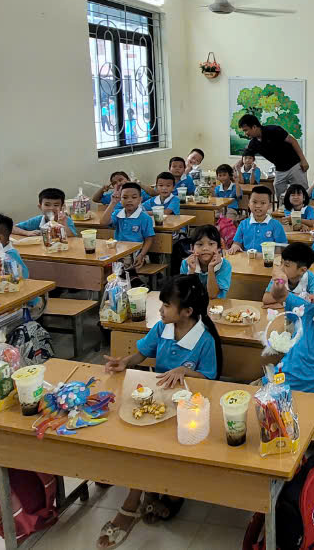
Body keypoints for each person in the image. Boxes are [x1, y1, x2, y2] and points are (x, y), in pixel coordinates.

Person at [100, 275, 221, 541]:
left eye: (166, 305)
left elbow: (209, 379)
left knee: (164, 445)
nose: (161, 310)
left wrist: (184, 371)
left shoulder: (205, 340)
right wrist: (126, 362)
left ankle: (152, 494)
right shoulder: (162, 328)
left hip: (188, 408)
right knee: (140, 437)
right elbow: (142, 353)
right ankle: (139, 494)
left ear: (187, 311)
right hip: (160, 402)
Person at [238, 114, 310, 202]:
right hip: (280, 169)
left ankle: (304, 209)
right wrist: (235, 168)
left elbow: (293, 141)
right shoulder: (253, 143)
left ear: (254, 127)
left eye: (246, 130)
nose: (245, 133)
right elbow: (245, 157)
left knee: (301, 192)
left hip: (294, 165)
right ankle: (283, 208)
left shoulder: (273, 130)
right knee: (278, 190)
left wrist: (303, 160)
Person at [100, 182, 154, 269]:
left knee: (124, 265)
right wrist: (113, 202)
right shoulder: (118, 214)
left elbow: (149, 239)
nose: (129, 200)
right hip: (118, 251)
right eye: (125, 197)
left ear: (140, 199)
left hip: (135, 253)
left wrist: (141, 255)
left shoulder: (145, 218)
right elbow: (103, 222)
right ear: (120, 199)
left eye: (134, 197)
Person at [262, 242, 314, 310]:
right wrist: (301, 298)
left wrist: (282, 303)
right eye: (281, 263)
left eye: (286, 265)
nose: (281, 268)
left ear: (302, 270)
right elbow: (266, 299)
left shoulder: (311, 279)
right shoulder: (280, 278)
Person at [228, 185, 287, 253]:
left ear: (269, 206)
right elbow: (236, 243)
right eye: (254, 202)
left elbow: (282, 247)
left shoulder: (276, 225)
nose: (258, 206)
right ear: (249, 204)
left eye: (263, 203)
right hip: (247, 258)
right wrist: (235, 246)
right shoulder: (243, 224)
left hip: (268, 259)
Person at [180, 225, 232, 298]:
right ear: (192, 248)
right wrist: (191, 272)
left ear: (219, 247)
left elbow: (212, 295)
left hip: (216, 304)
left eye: (211, 244)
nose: (205, 248)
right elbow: (184, 294)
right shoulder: (186, 264)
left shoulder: (225, 265)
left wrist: (211, 268)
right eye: (200, 244)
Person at [13, 188, 79, 238]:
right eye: (47, 205)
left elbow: (72, 237)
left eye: (56, 205)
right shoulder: (37, 220)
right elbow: (12, 228)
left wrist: (63, 224)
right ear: (40, 207)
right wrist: (27, 233)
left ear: (62, 207)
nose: (51, 208)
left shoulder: (66, 220)